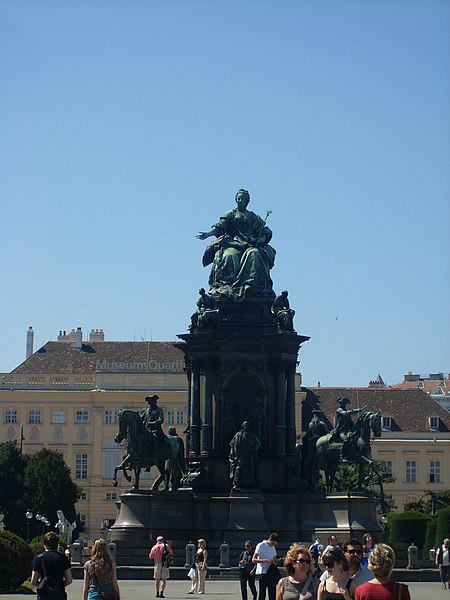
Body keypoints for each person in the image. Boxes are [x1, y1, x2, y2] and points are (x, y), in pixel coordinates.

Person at [196, 189, 276, 301]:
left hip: (250, 245)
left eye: (242, 199)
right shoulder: (230, 214)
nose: (240, 201)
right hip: (233, 243)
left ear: (247, 201)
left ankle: (251, 286)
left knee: (255, 254)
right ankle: (228, 286)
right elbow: (220, 226)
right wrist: (208, 234)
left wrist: (258, 240)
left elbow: (265, 232)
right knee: (228, 256)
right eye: (238, 198)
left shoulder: (253, 217)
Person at [31, 531, 72, 600]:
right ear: (57, 544)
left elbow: (33, 581)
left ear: (45, 544)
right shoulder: (63, 558)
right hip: (59, 594)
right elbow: (69, 580)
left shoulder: (39, 558)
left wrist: (41, 586)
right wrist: (60, 586)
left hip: (44, 594)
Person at [229, 421, 261, 489]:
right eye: (245, 425)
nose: (246, 427)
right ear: (242, 426)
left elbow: (258, 443)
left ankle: (249, 484)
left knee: (249, 470)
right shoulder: (238, 435)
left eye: (247, 425)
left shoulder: (252, 435)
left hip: (249, 455)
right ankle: (236, 483)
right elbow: (232, 444)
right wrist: (232, 453)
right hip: (241, 454)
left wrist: (254, 448)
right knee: (239, 468)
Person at [253, 532, 279, 600]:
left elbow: (274, 559)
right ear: (270, 539)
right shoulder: (261, 545)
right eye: (272, 543)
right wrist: (264, 561)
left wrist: (274, 562)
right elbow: (253, 560)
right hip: (263, 572)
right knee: (262, 592)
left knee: (272, 592)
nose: (272, 545)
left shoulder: (273, 548)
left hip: (271, 572)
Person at [164, 426, 185, 491]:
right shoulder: (178, 439)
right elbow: (181, 454)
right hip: (174, 459)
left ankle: (167, 486)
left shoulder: (173, 439)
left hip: (171, 459)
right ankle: (173, 486)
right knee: (173, 472)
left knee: (167, 472)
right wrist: (183, 465)